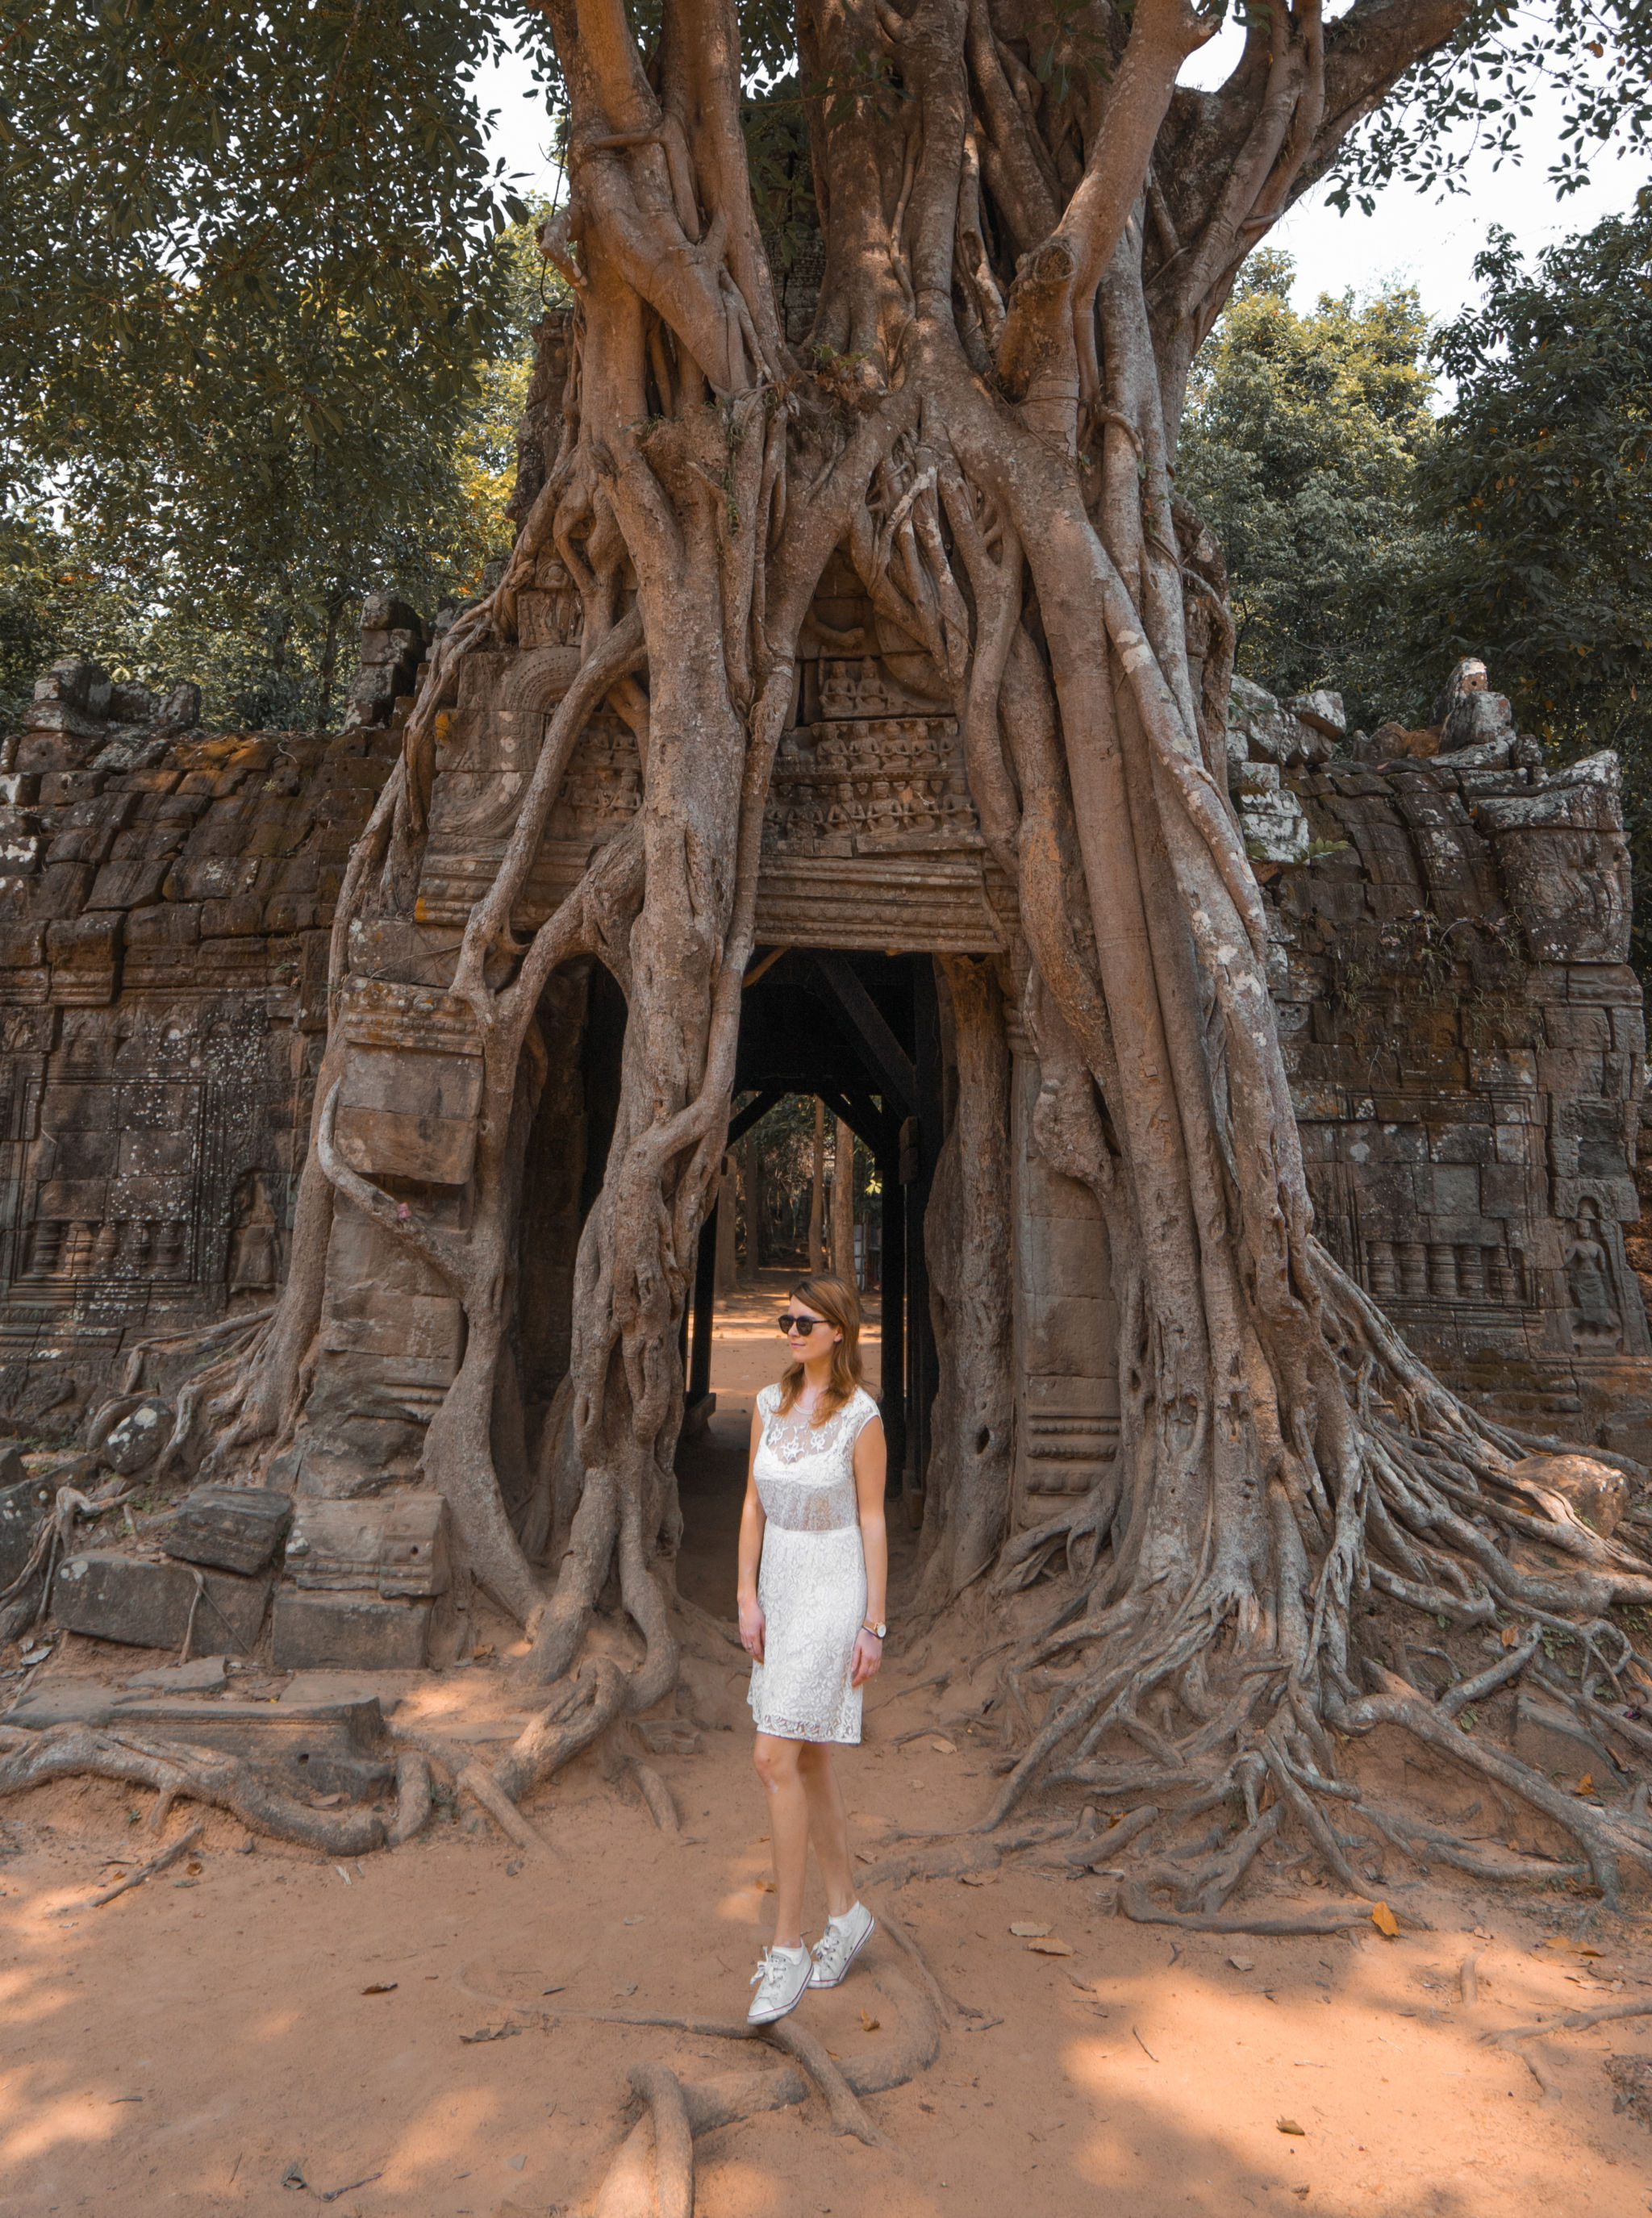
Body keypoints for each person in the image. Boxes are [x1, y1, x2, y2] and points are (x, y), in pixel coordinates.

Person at [737, 1273, 888, 2024]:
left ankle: (788, 1947)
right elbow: (752, 1506)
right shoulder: (767, 1405)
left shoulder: (860, 1418)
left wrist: (874, 1624)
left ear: (838, 1332)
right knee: (812, 1755)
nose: (792, 1333)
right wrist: (744, 1595)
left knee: (773, 1758)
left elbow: (872, 1523)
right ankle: (848, 1912)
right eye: (785, 1321)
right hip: (780, 1587)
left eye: (805, 1323)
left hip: (833, 1589)